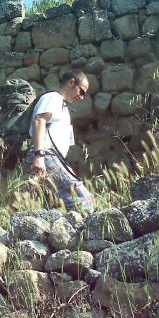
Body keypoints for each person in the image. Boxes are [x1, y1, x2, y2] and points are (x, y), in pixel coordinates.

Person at [24, 71, 95, 212]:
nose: (81, 97)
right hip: (45, 155)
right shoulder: (53, 98)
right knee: (83, 199)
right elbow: (39, 121)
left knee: (51, 206)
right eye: (82, 92)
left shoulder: (64, 108)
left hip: (52, 158)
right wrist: (39, 155)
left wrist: (65, 167)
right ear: (71, 82)